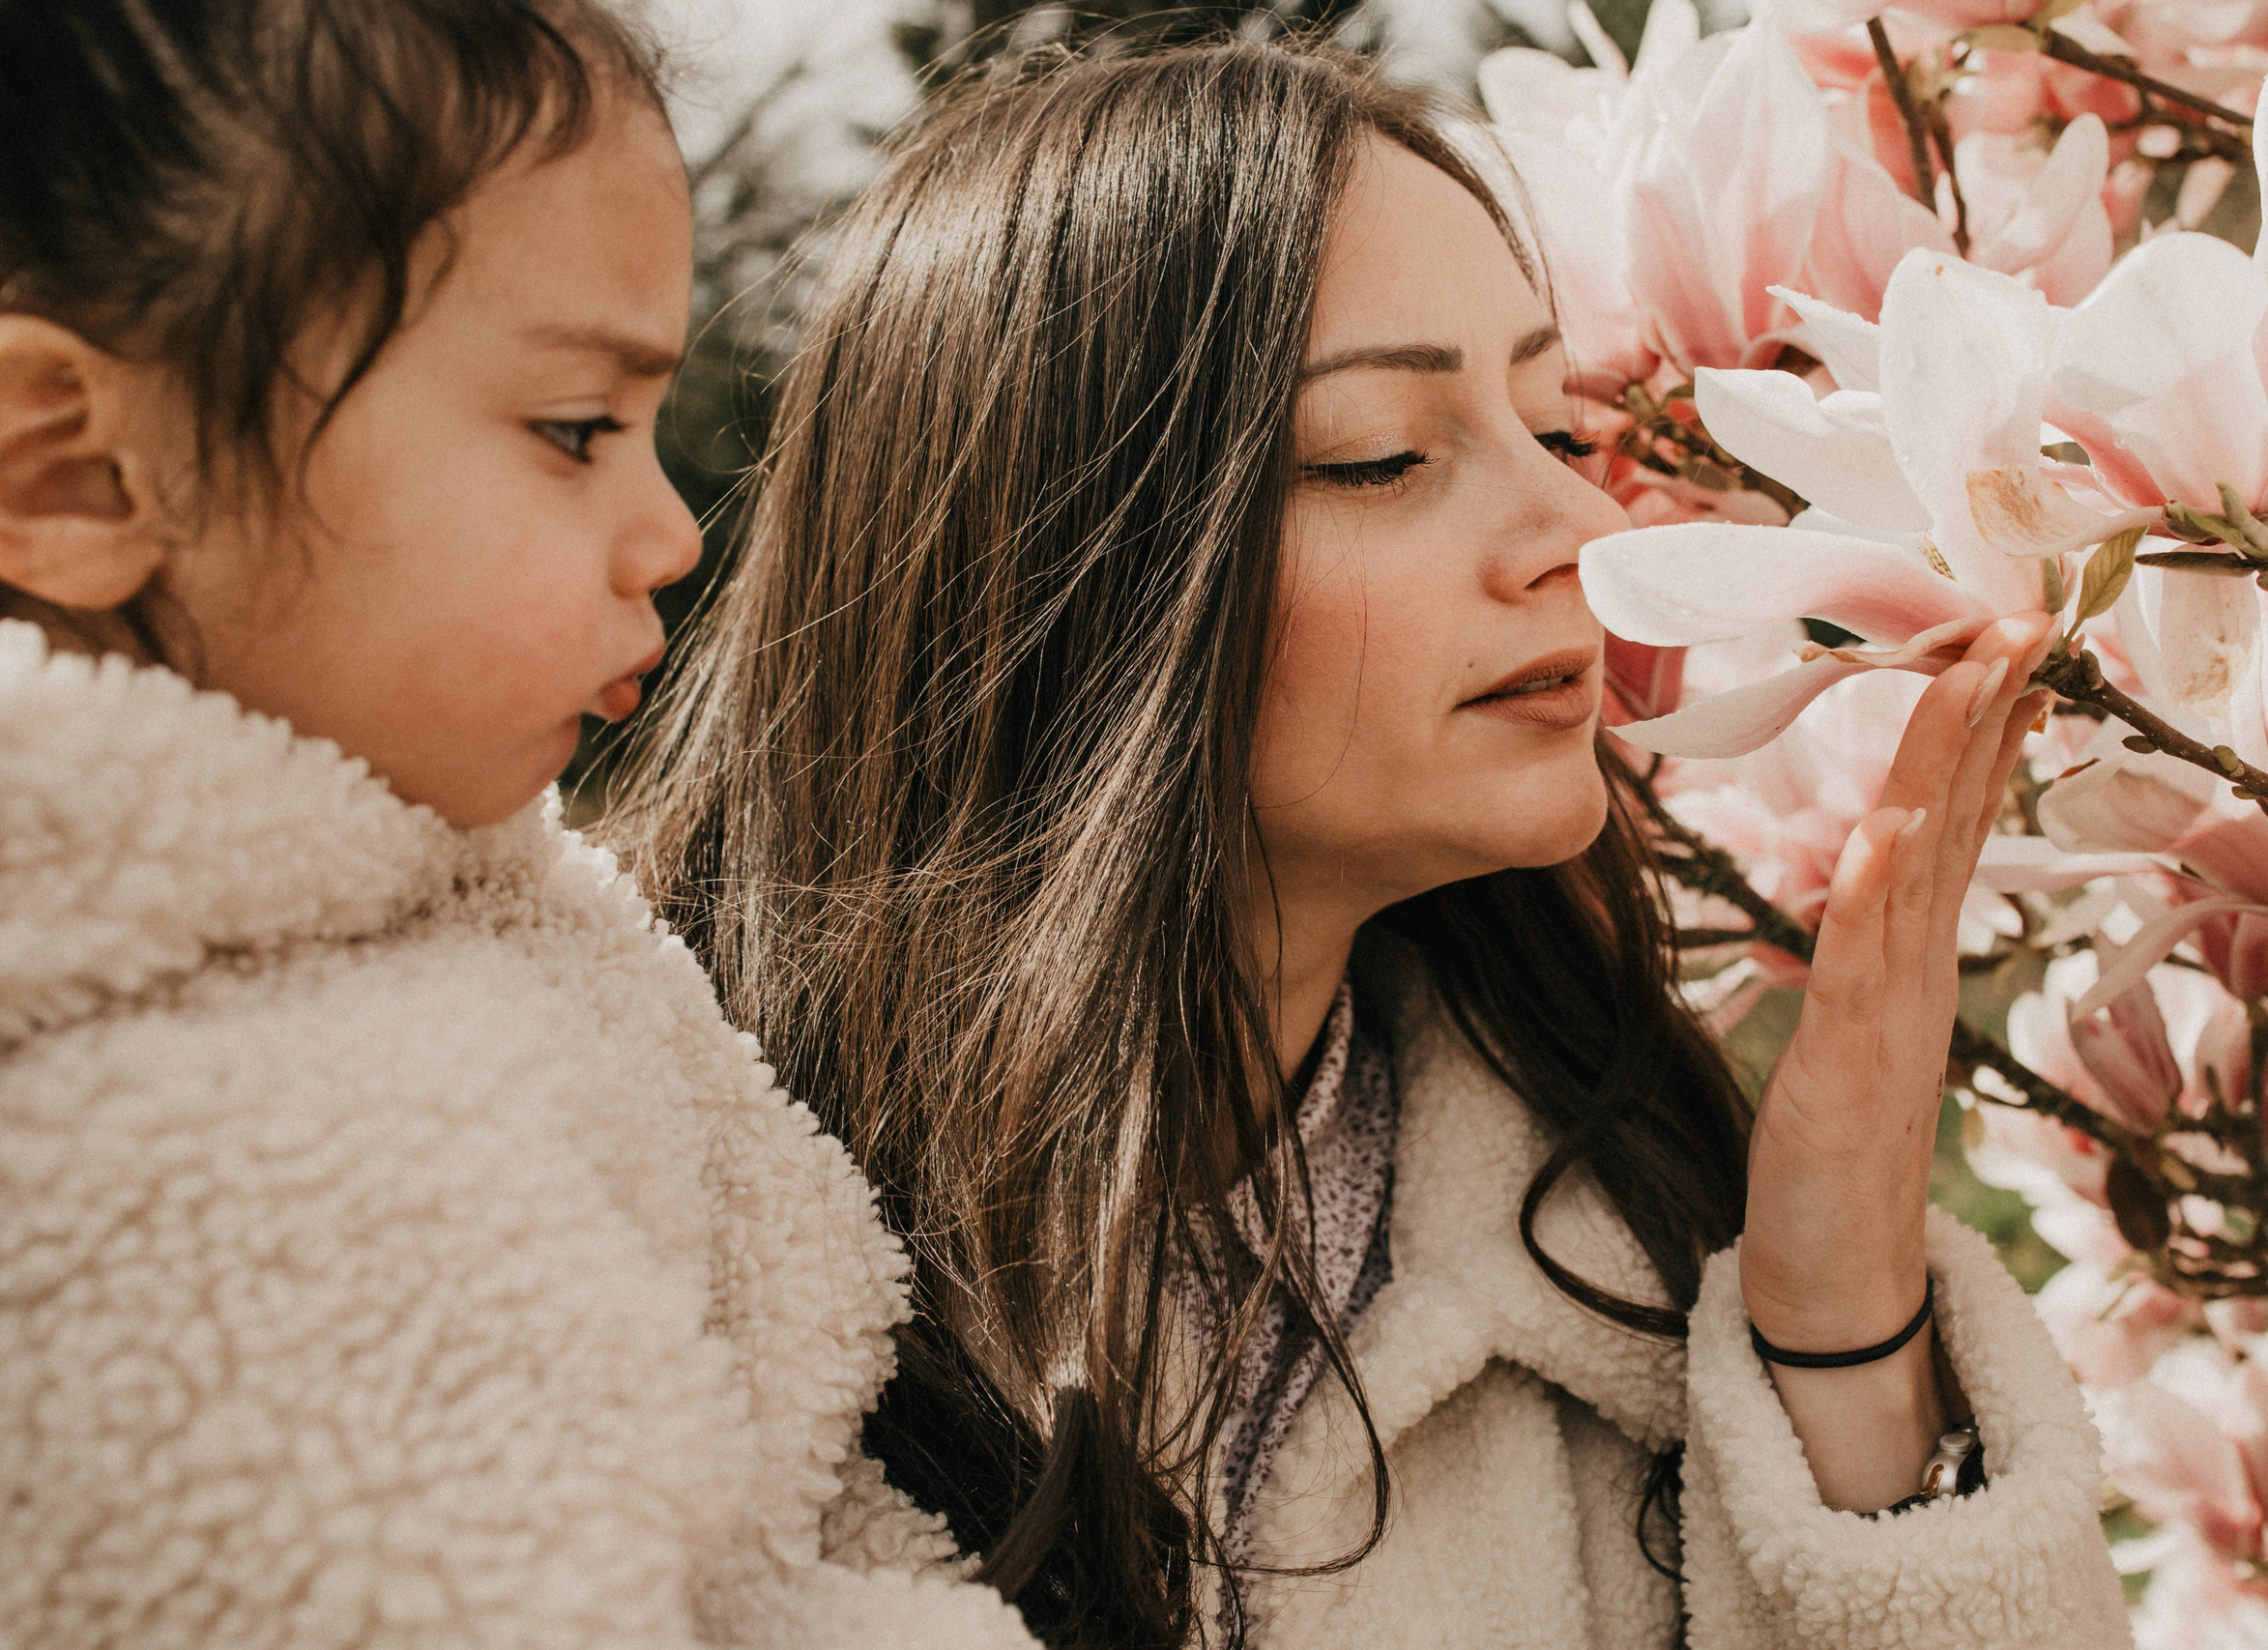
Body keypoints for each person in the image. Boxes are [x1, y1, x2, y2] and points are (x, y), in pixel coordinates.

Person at [612, 38, 2129, 1650]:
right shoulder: (634, 1203)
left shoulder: (1606, 1229)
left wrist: (1842, 1316)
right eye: (1382, 456)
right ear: (1065, 569)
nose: (1589, 529)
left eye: (1551, 424)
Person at [0, 4, 1033, 1644]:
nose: (670, 535)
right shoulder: (204, 1184)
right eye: (573, 430)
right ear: (76, 476)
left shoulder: (480, 904)